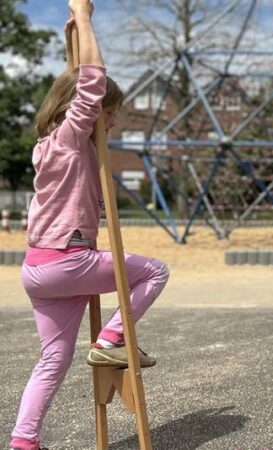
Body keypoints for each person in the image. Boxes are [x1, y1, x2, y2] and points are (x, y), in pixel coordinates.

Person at [8, 2, 169, 449]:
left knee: (52, 360)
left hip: (40, 272)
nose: (111, 121)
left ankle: (24, 441)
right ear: (81, 111)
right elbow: (90, 86)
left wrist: (72, 44)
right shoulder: (71, 140)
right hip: (69, 260)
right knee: (155, 271)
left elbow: (78, 84)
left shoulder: (48, 144)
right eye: (109, 113)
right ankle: (114, 336)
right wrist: (84, 19)